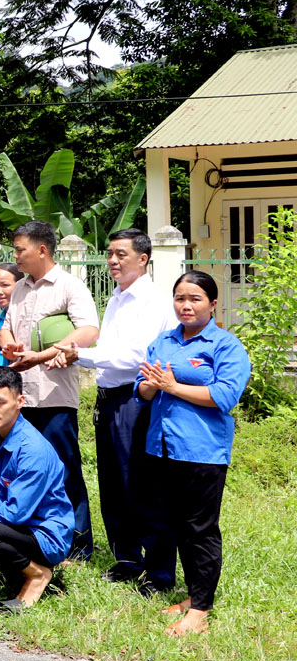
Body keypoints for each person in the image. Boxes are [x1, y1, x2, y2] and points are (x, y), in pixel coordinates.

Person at [48, 229, 177, 586]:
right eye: (110, 254)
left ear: (143, 259)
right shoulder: (118, 298)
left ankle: (159, 571)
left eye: (121, 254)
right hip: (109, 399)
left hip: (135, 399)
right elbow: (111, 348)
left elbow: (138, 356)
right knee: (113, 485)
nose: (113, 261)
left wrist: (81, 355)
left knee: (141, 484)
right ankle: (128, 560)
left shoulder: (152, 299)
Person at [136, 271, 250, 636]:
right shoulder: (164, 340)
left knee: (200, 529)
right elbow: (141, 391)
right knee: (176, 525)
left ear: (213, 304)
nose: (186, 305)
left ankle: (200, 610)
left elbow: (224, 397)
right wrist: (152, 387)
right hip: (162, 447)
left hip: (202, 451)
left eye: (195, 298)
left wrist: (173, 385)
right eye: (180, 298)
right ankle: (194, 594)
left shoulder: (225, 346)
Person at [0, 220, 99, 559]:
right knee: (27, 468)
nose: (16, 256)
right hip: (23, 397)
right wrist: (10, 347)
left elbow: (88, 332)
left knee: (65, 468)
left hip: (56, 395)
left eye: (20, 250)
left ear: (42, 250)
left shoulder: (70, 286)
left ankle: (79, 544)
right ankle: (38, 534)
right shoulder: (20, 289)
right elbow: (8, 329)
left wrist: (41, 356)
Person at [0, 367, 75, 612]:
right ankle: (14, 571)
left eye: (0, 403)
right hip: (16, 527)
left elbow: (16, 512)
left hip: (43, 534)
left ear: (20, 401)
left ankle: (38, 574)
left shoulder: (32, 449)